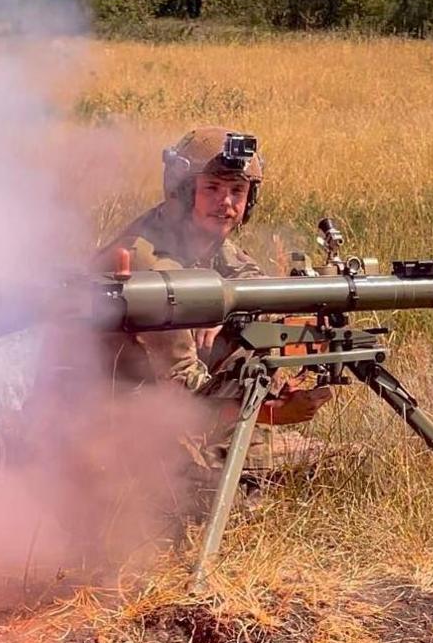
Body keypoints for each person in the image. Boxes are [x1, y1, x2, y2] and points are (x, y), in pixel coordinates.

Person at [92, 126, 332, 490]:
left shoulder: (206, 242)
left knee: (330, 461)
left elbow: (258, 291)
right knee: (236, 492)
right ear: (184, 193)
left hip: (166, 417)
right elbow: (183, 399)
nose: (227, 203)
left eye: (238, 191)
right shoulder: (151, 264)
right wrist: (275, 414)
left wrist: (232, 313)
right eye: (212, 189)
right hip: (114, 427)